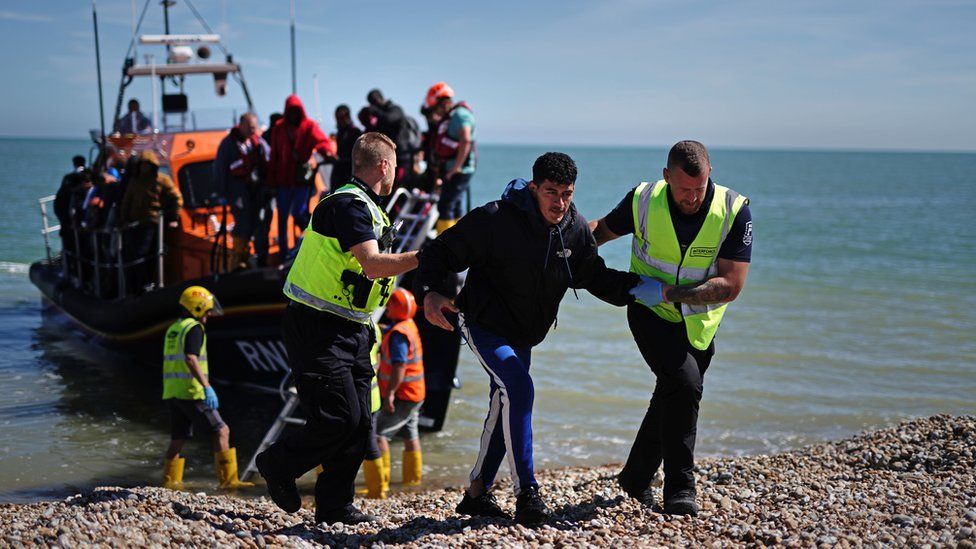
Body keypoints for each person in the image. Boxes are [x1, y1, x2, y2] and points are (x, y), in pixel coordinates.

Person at [417, 152, 656, 526]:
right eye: (550, 192)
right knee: (520, 389)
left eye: (567, 193)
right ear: (533, 188)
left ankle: (476, 494)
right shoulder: (495, 219)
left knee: (505, 403)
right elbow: (438, 252)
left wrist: (646, 289)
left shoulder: (574, 229)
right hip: (482, 323)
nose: (559, 202)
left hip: (525, 334)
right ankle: (527, 493)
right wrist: (431, 292)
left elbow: (595, 277)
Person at [255, 132, 419, 525]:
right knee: (338, 418)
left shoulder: (370, 209)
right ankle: (277, 463)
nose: (397, 174)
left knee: (362, 424)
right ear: (383, 166)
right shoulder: (347, 205)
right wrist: (426, 256)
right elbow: (373, 264)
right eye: (394, 166)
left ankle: (334, 506)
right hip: (316, 325)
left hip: (353, 329)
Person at [588, 140, 753, 516]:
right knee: (684, 384)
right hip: (649, 313)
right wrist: (564, 245)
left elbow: (731, 286)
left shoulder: (733, 209)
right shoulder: (644, 199)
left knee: (672, 394)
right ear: (667, 177)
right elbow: (601, 232)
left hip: (699, 322)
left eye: (700, 188)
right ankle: (681, 488)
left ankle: (634, 479)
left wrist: (668, 292)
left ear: (710, 173)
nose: (693, 197)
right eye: (684, 189)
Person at [161, 286, 253, 490]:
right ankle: (229, 483)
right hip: (193, 392)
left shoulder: (174, 328)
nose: (209, 314)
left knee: (178, 438)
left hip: (173, 392)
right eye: (207, 310)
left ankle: (170, 482)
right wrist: (207, 386)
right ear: (198, 308)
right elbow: (190, 358)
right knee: (222, 430)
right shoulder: (195, 328)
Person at [267, 95, 335, 258]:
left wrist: (327, 153)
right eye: (291, 111)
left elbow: (322, 141)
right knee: (282, 217)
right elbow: (274, 155)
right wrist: (271, 180)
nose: (294, 115)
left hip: (300, 181)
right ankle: (285, 252)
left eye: (297, 111)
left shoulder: (309, 126)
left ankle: (307, 242)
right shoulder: (279, 127)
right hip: (283, 181)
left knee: (299, 213)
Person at [375, 287, 425, 492]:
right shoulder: (408, 325)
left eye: (390, 306)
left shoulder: (398, 336)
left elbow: (399, 366)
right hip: (416, 393)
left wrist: (390, 394)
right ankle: (413, 482)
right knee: (410, 434)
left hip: (402, 395)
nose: (386, 309)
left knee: (379, 434)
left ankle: (381, 484)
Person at [119, 151, 183, 291]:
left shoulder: (162, 180)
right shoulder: (135, 181)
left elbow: (177, 197)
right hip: (133, 224)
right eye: (142, 165)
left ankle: (145, 283)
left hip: (151, 222)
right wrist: (124, 219)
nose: (144, 168)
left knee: (144, 253)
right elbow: (126, 201)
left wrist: (174, 217)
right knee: (133, 254)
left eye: (147, 165)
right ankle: (135, 284)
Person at [214, 113, 271, 269]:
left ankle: (258, 258)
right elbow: (220, 169)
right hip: (237, 190)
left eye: (254, 127)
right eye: (249, 127)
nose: (252, 130)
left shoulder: (258, 143)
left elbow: (269, 159)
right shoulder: (228, 144)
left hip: (256, 189)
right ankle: (239, 260)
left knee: (259, 222)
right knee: (243, 223)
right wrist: (222, 193)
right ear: (241, 125)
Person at [423, 81, 475, 233]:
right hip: (454, 169)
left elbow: (466, 139)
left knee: (446, 206)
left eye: (436, 108)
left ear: (442, 103)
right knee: (455, 206)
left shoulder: (460, 115)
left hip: (460, 170)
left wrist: (456, 168)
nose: (436, 112)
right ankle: (457, 244)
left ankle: (445, 247)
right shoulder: (451, 117)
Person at [366, 89, 418, 184]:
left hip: (402, 157)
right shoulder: (381, 116)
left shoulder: (395, 109)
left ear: (380, 99)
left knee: (399, 185)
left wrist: (376, 111)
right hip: (389, 157)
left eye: (374, 102)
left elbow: (389, 119)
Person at [329, 105, 362, 191]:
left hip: (350, 175)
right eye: (337, 118)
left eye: (340, 118)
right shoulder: (339, 133)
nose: (338, 121)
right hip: (338, 174)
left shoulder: (355, 133)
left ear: (347, 117)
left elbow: (358, 158)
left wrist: (340, 161)